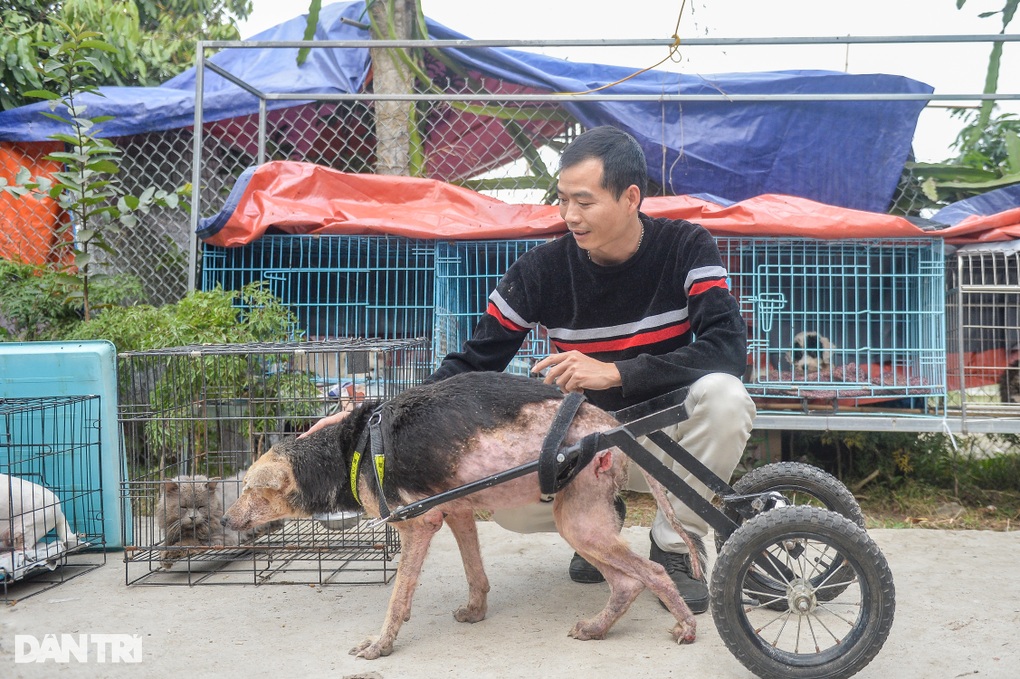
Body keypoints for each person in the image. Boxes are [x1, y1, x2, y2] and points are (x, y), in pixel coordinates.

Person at [306, 125, 756, 614]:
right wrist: (370, 416)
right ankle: (601, 524)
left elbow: (728, 349)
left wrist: (616, 372)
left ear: (631, 198)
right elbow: (473, 362)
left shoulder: (686, 246)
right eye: (562, 200)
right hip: (585, 447)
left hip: (663, 433)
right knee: (511, 510)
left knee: (725, 395)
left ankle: (674, 547)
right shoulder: (539, 269)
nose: (569, 216)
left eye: (584, 202)